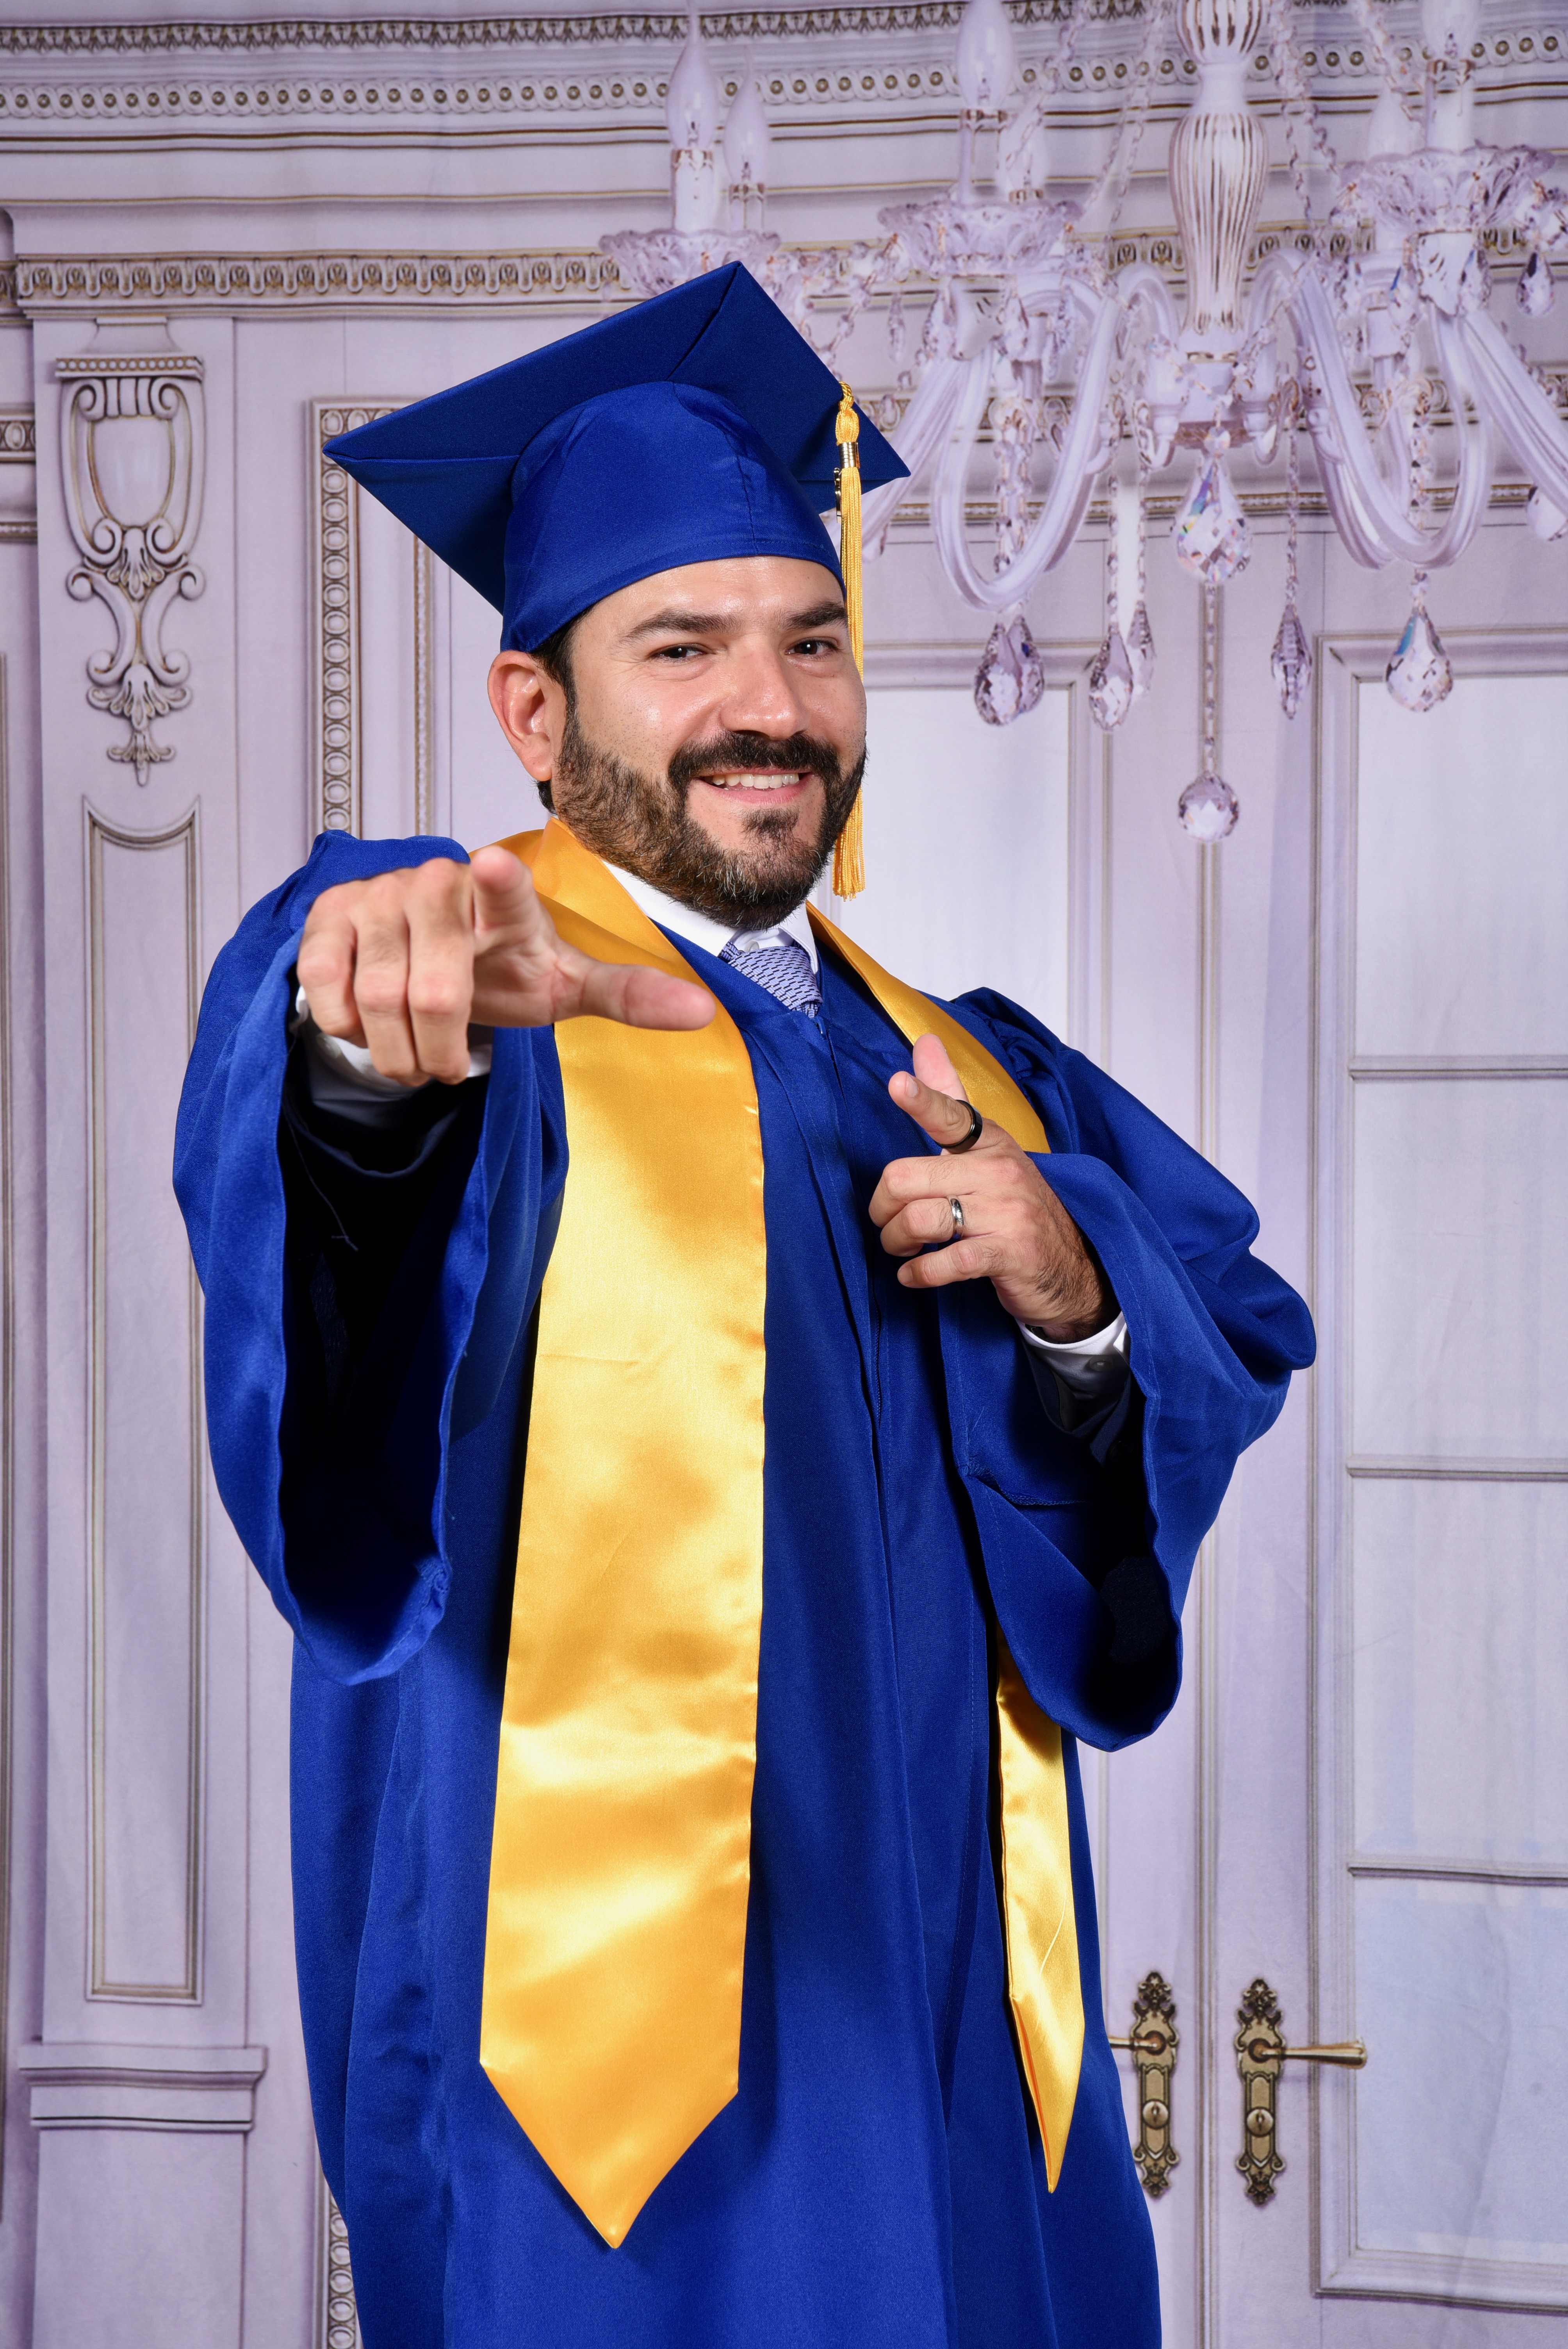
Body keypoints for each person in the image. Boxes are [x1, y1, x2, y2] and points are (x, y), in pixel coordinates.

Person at [176, 264, 1313, 2349]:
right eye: (680, 645)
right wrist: (372, 1072)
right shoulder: (476, 985)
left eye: (808, 638)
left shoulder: (979, 1073)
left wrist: (1074, 1284)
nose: (765, 703)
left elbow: (1225, 1321)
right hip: (613, 2093)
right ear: (540, 714)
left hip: (969, 2050)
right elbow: (319, 1229)